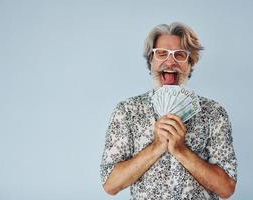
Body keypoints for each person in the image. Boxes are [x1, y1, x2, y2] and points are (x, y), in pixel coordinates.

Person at [100, 22, 237, 200]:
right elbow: (111, 185)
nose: (170, 62)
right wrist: (157, 146)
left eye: (180, 55)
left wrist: (181, 150)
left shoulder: (214, 113)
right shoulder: (127, 111)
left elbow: (226, 189)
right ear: (151, 61)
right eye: (161, 54)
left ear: (190, 65)